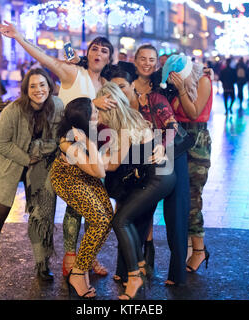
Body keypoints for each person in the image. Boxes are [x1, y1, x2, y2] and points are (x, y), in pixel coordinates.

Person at [0, 21, 116, 277]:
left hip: (94, 150)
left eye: (105, 50)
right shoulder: (74, 74)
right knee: (75, 207)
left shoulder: (106, 82)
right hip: (70, 151)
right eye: (95, 48)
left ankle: (86, 256)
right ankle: (69, 260)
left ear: (109, 58)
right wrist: (19, 37)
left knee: (95, 209)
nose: (99, 53)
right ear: (89, 52)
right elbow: (44, 58)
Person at [0, 68, 64, 291]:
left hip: (41, 163)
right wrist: (26, 158)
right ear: (25, 90)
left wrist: (44, 150)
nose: (38, 90)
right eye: (33, 86)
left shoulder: (57, 106)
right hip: (11, 163)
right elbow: (2, 143)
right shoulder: (13, 110)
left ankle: (42, 264)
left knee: (43, 213)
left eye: (42, 85)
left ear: (49, 87)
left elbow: (60, 138)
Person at [110, 64, 190, 286]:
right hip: (146, 160)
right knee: (137, 213)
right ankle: (127, 269)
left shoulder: (153, 99)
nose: (119, 91)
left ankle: (177, 274)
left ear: (134, 84)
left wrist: (162, 146)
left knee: (176, 214)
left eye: (123, 86)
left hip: (173, 152)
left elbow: (173, 126)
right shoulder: (116, 107)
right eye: (113, 88)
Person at [98, 82, 176, 299]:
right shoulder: (132, 118)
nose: (96, 114)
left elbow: (112, 165)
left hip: (157, 178)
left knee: (120, 221)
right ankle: (139, 266)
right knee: (126, 220)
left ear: (109, 108)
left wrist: (82, 161)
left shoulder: (124, 127)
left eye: (99, 108)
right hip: (160, 175)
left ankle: (134, 277)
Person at [50, 97, 113, 299]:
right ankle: (77, 273)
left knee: (108, 215)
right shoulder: (69, 143)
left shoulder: (89, 131)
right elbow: (99, 172)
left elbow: (98, 167)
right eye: (93, 111)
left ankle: (85, 263)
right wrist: (87, 143)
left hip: (84, 175)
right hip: (66, 179)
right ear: (84, 119)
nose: (98, 113)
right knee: (99, 219)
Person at [162, 56, 213, 276]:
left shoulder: (203, 80)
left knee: (193, 197)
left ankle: (199, 249)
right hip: (176, 140)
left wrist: (181, 89)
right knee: (179, 197)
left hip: (196, 140)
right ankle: (187, 248)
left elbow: (193, 112)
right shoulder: (172, 86)